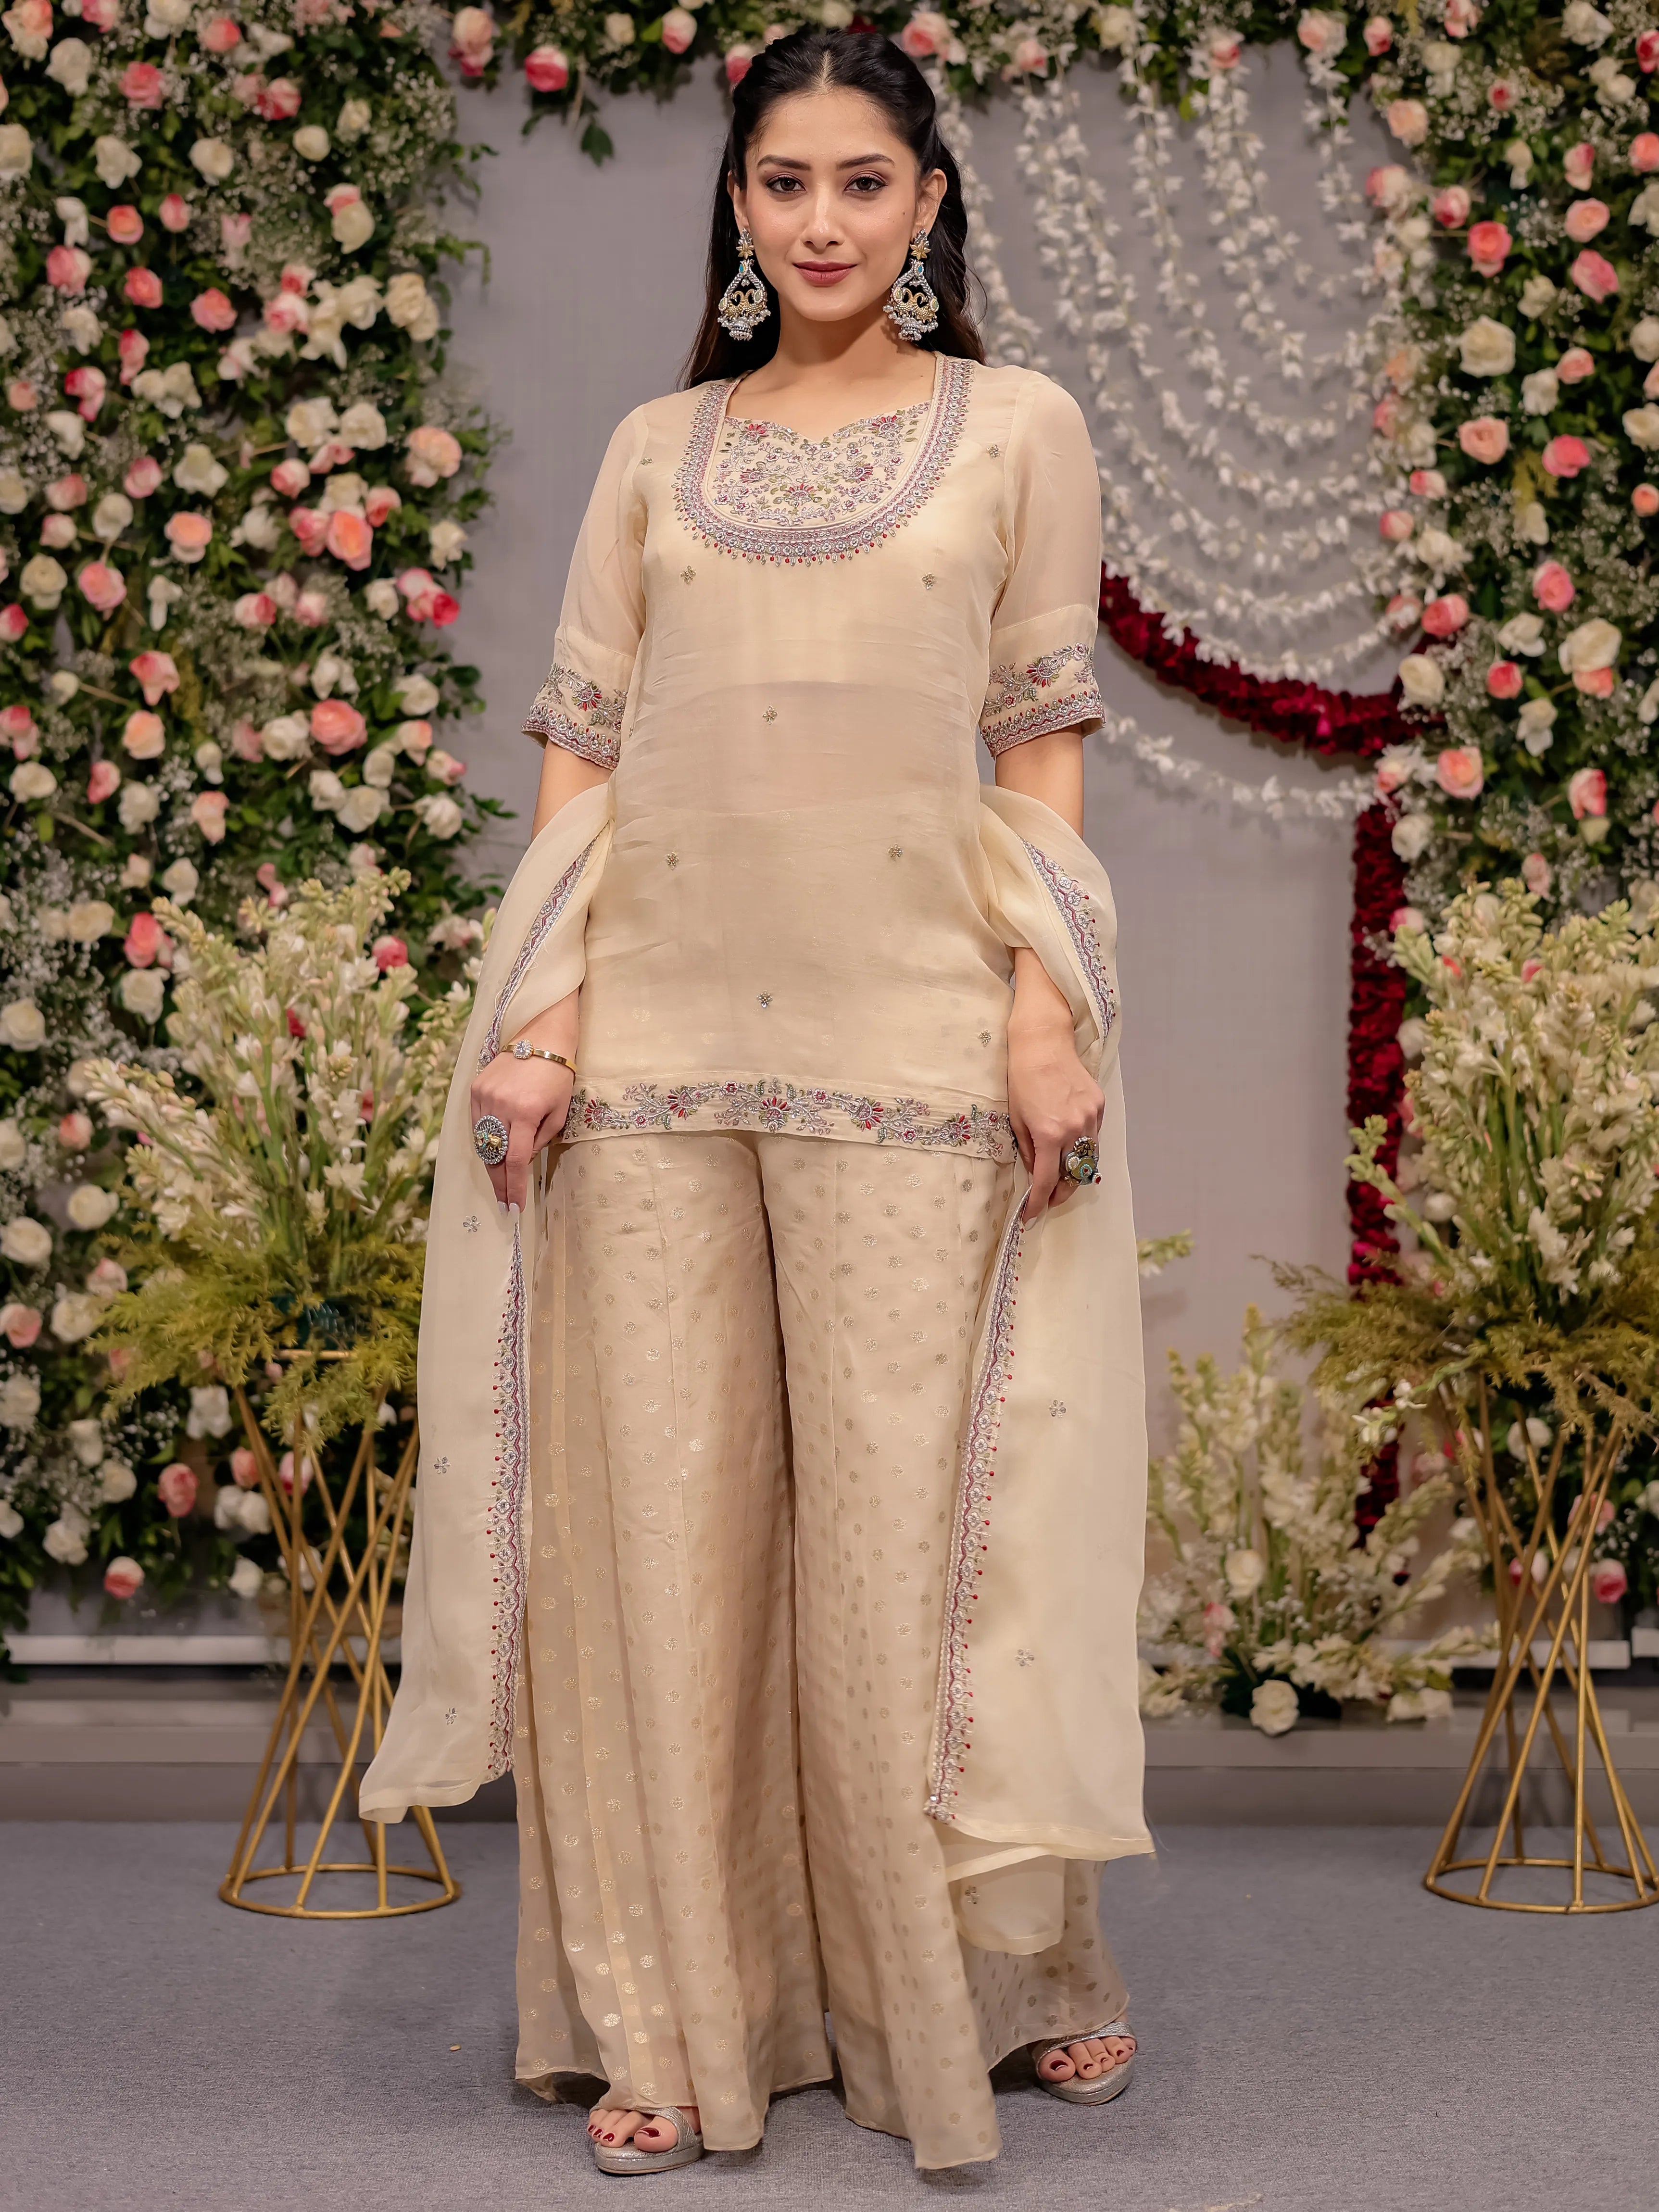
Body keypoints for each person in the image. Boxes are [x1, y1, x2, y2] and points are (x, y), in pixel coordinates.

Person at [360, 25, 1150, 2175]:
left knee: (921, 1554)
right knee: (667, 1550)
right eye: (783, 182)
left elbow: (1040, 738)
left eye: (862, 183)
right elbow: (583, 750)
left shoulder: (1016, 426)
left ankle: (994, 1994)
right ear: (735, 202)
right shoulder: (655, 448)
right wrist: (544, 1018)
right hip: (652, 1059)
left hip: (915, 1047)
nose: (820, 221)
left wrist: (1043, 1011)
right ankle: (676, 2017)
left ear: (926, 203)